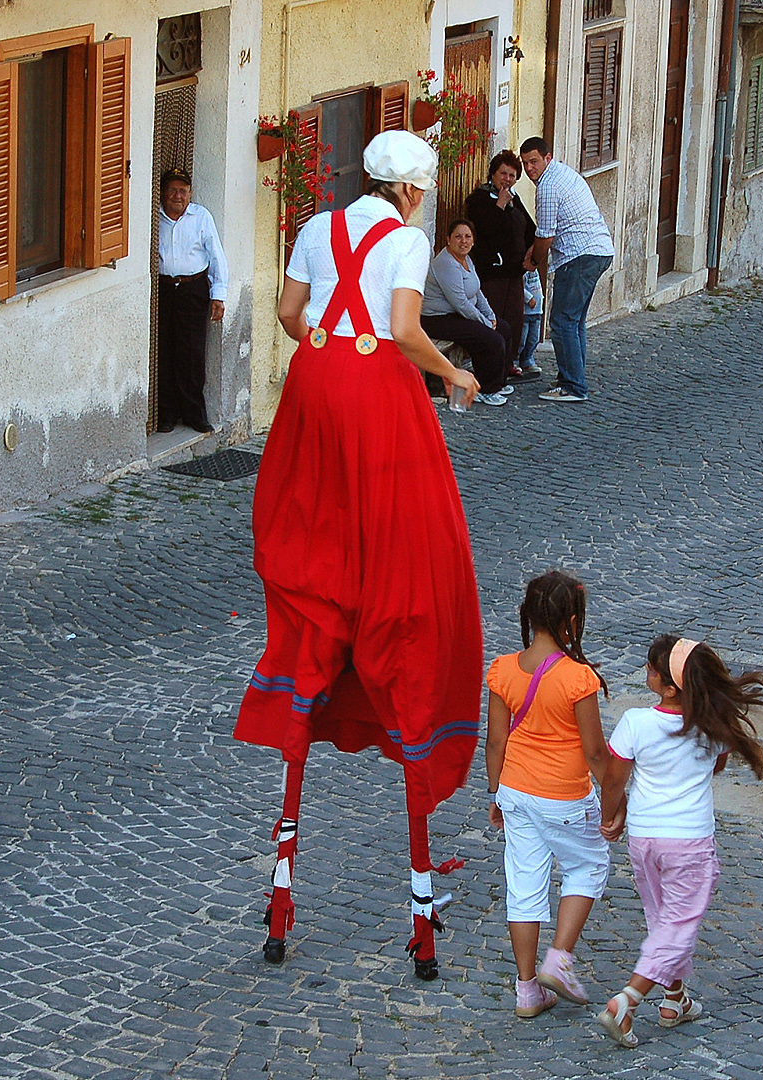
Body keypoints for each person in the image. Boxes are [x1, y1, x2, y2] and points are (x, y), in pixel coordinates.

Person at [235, 130, 483, 980]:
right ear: (412, 192)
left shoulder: (316, 226)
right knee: (409, 560)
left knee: (319, 547)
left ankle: (281, 888)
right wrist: (452, 373)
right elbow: (407, 329)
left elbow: (289, 315)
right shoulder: (409, 240)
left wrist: (328, 347)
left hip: (315, 389)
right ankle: (419, 904)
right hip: (377, 398)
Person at [595, 636, 763, 1048]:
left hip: (644, 839)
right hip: (690, 841)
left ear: (669, 686)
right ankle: (627, 1000)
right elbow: (716, 766)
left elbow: (613, 779)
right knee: (676, 925)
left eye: (652, 669)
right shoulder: (713, 726)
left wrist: (612, 818)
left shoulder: (635, 723)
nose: (647, 672)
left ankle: (674, 1000)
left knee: (662, 920)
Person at [484, 571, 611, 1018]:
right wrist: (615, 798)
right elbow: (595, 754)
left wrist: (495, 793)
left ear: (527, 615)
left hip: (516, 791)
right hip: (565, 797)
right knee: (588, 865)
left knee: (524, 885)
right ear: (571, 622)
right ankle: (559, 959)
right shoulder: (579, 679)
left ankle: (526, 991)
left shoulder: (501, 670)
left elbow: (496, 741)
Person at [520, 137, 613, 404]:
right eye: (525, 163)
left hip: (578, 256)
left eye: (534, 161)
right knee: (574, 322)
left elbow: (546, 236)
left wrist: (533, 261)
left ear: (547, 158)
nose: (529, 168)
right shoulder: (563, 173)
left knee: (562, 322)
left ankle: (573, 385)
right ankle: (572, 376)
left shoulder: (548, 187)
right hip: (599, 250)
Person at [155, 167, 227, 433]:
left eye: (183, 191)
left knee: (192, 353)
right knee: (164, 351)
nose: (177, 196)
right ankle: (167, 414)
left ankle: (195, 414)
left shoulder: (201, 217)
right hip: (164, 289)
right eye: (172, 190)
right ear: (163, 193)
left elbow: (217, 256)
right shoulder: (156, 217)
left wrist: (218, 295)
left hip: (193, 289)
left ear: (190, 194)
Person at [421, 219, 514, 406]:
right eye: (458, 236)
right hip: (437, 319)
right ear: (448, 239)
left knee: (504, 328)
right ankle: (485, 389)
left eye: (467, 237)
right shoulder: (446, 263)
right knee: (490, 338)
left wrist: (491, 316)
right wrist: (486, 324)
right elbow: (461, 303)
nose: (463, 241)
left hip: (455, 315)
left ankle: (499, 381)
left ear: (473, 240)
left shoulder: (466, 259)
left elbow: (477, 292)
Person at [464, 150, 536, 380]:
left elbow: (529, 229)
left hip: (514, 271)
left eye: (512, 175)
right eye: (503, 173)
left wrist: (531, 255)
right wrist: (499, 206)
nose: (507, 179)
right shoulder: (479, 200)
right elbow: (485, 229)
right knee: (493, 318)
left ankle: (508, 363)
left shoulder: (515, 200)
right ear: (493, 175)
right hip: (492, 271)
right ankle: (489, 365)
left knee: (514, 319)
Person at [515, 261, 544, 378]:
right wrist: (529, 298)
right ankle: (515, 361)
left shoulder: (535, 272)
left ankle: (527, 359)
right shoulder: (523, 272)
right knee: (522, 339)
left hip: (537, 311)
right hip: (526, 311)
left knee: (533, 338)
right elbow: (519, 287)